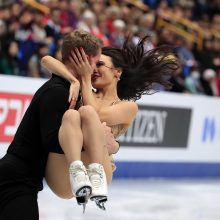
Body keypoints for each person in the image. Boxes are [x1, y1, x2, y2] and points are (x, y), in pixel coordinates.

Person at [41, 35, 179, 210]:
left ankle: (95, 172)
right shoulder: (81, 88)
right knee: (71, 116)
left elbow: (95, 114)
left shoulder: (128, 106)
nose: (93, 69)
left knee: (85, 111)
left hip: (98, 173)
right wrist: (74, 79)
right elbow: (46, 60)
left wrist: (83, 79)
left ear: (117, 71)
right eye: (93, 65)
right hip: (64, 173)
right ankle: (77, 171)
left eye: (100, 64)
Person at [0, 30, 119, 220]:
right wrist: (97, 142)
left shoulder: (66, 87)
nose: (96, 69)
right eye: (95, 62)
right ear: (84, 59)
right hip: (15, 181)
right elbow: (52, 142)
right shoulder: (58, 91)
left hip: (21, 179)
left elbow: (48, 61)